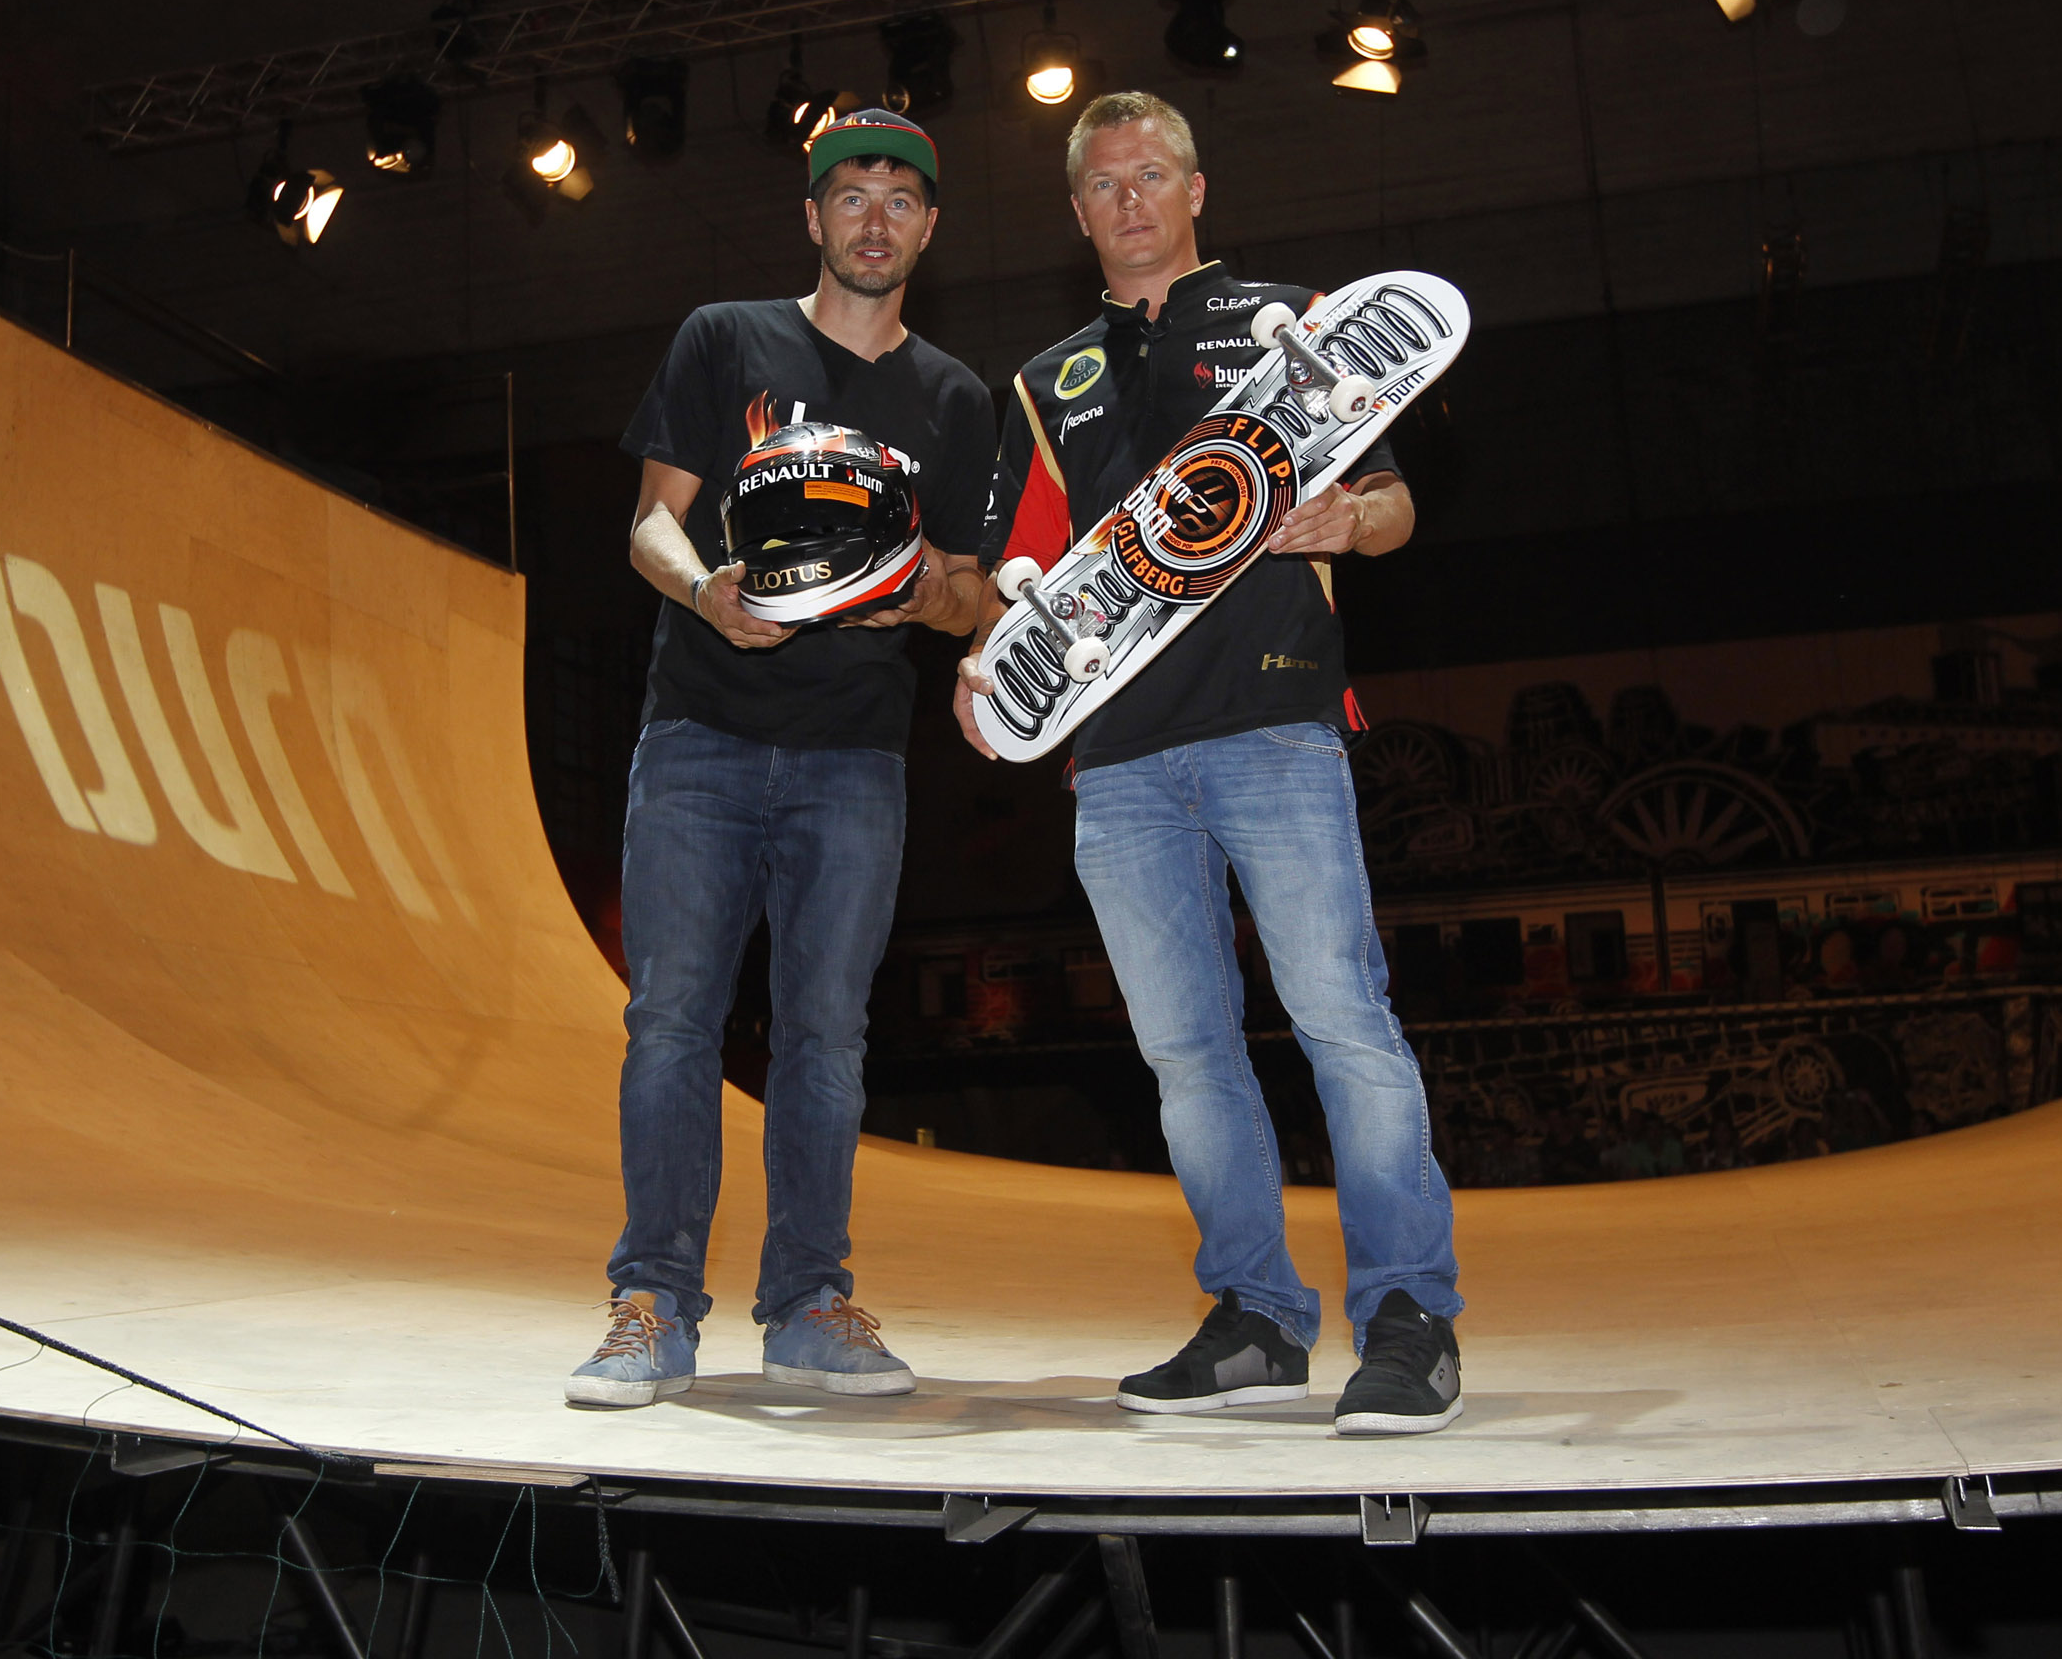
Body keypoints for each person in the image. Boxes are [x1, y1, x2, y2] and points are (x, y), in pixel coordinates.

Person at [959, 91, 1465, 1437]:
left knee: (1343, 1025)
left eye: (1153, 175)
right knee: (1186, 1060)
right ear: (1079, 215)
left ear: (1197, 189)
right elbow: (1023, 572)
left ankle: (1409, 1319)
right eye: (1104, 184)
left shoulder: (1298, 326)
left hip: (1275, 721)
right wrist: (987, 660)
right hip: (1117, 761)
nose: (1130, 200)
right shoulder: (1047, 379)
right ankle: (1253, 1315)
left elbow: (1401, 507)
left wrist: (1351, 519)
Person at [569, 110, 998, 1408]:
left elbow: (975, 597)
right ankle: (652, 1301)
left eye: (900, 199)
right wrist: (706, 595)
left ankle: (810, 1301)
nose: (874, 217)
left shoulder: (956, 399)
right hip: (699, 738)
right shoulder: (726, 340)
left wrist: (926, 592)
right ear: (812, 219)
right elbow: (653, 524)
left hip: (853, 757)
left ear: (929, 226)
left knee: (825, 1036)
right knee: (671, 1024)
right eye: (850, 195)